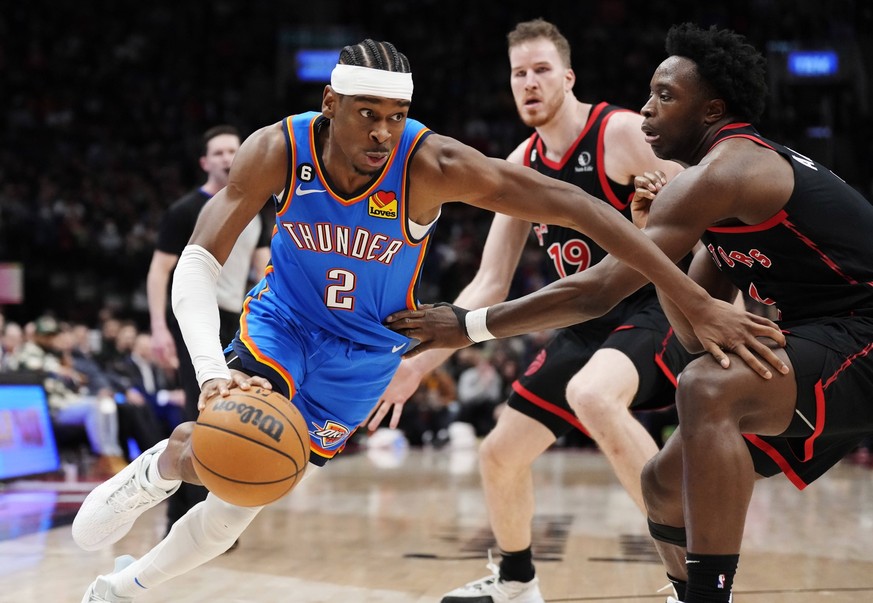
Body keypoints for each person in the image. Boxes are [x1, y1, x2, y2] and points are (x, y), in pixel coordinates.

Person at [72, 38, 780, 603]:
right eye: (366, 114)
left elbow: (579, 207)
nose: (383, 132)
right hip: (283, 323)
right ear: (330, 104)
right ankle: (158, 469)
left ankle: (121, 590)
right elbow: (197, 262)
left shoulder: (430, 163)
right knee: (209, 446)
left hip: (364, 357)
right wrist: (211, 374)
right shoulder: (278, 148)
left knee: (246, 493)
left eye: (395, 115)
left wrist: (691, 296)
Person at [386, 23, 873, 603]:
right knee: (662, 483)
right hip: (816, 338)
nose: (646, 108)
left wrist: (467, 326)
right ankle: (657, 589)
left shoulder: (725, 169)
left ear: (712, 110)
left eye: (665, 96)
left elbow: (600, 290)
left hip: (859, 333)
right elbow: (692, 334)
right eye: (649, 94)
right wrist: (646, 239)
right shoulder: (706, 197)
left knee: (700, 388)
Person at [369, 20, 691, 602]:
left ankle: (696, 578)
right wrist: (417, 366)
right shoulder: (521, 161)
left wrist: (736, 303)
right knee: (499, 453)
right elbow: (490, 281)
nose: (529, 83)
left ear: (568, 77)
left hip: (657, 305)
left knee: (593, 395)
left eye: (542, 70)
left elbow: (704, 210)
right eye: (519, 73)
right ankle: (516, 582)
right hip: (587, 319)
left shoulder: (619, 133)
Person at [146, 124, 271, 532]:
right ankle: (179, 517)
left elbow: (265, 269)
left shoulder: (258, 208)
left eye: (232, 150)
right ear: (204, 162)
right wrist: (158, 327)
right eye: (217, 152)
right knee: (197, 411)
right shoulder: (185, 210)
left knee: (233, 411)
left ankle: (216, 517)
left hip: (237, 317)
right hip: (195, 317)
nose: (226, 158)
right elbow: (160, 270)